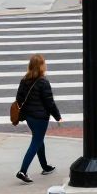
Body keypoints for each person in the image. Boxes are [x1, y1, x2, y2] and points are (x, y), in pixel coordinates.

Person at [14, 53, 61, 183]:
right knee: (36, 142)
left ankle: (45, 166)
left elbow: (19, 99)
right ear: (40, 66)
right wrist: (58, 117)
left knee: (39, 139)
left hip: (29, 117)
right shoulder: (43, 82)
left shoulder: (24, 80)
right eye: (44, 63)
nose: (45, 65)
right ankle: (22, 171)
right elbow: (49, 102)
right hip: (40, 118)